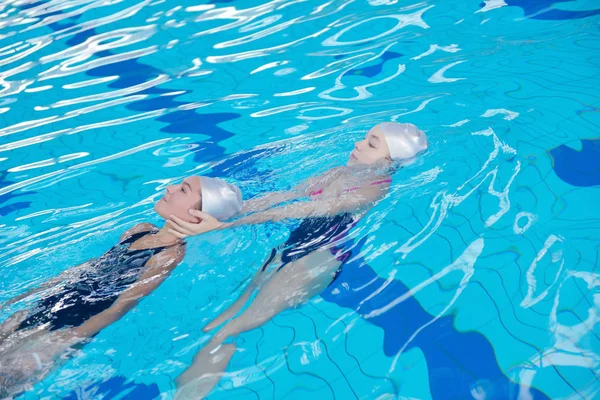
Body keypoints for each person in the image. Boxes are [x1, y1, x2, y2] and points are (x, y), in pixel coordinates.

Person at [169, 122, 429, 399]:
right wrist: (230, 213)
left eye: (371, 144)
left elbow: (308, 208)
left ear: (390, 162)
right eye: (364, 138)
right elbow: (287, 196)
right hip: (292, 244)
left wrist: (226, 227)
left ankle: (194, 386)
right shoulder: (338, 172)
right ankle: (196, 351)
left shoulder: (376, 188)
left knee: (233, 328)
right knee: (230, 310)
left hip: (318, 259)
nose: (358, 144)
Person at [0, 176, 243, 398]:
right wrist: (31, 293)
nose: (170, 187)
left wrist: (72, 338)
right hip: (52, 303)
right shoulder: (140, 229)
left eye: (183, 190)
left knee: (8, 378)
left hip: (77, 322)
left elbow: (122, 305)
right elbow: (91, 266)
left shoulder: (169, 255)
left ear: (196, 216)